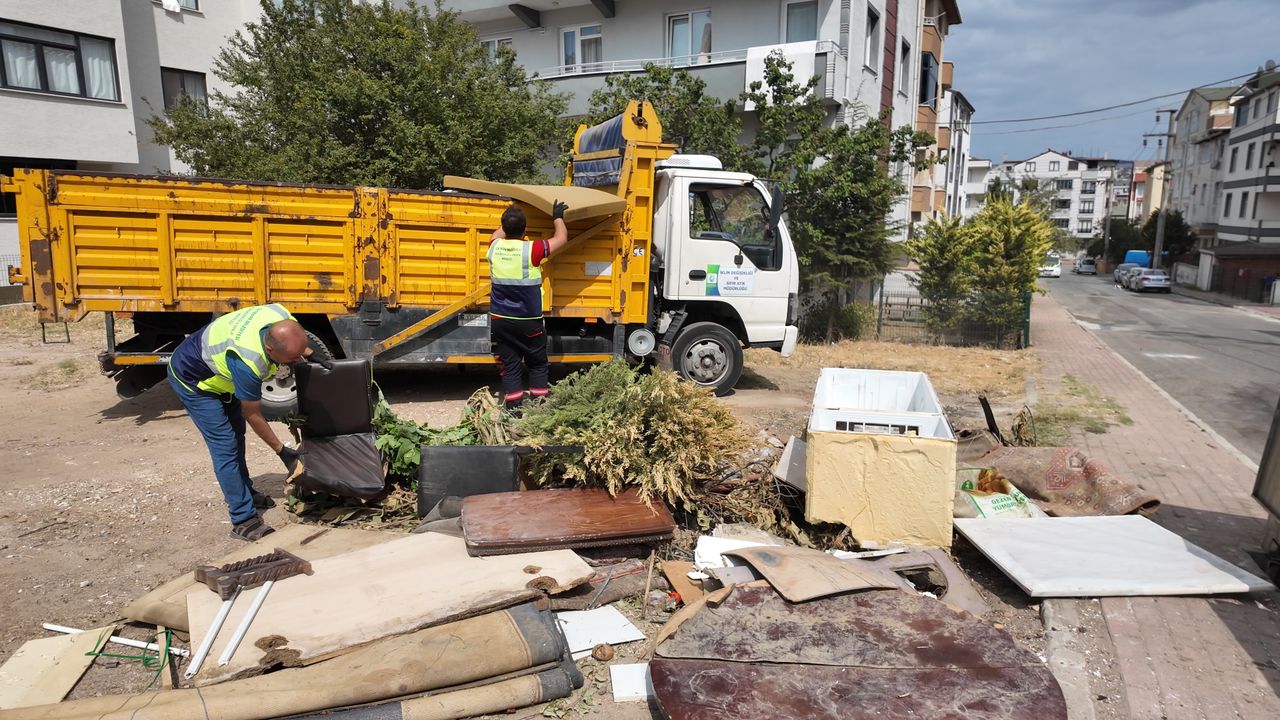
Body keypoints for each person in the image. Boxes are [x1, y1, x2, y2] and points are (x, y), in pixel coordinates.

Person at [167, 304, 312, 541]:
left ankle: (245, 492)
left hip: (221, 375)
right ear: (269, 349)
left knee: (237, 435)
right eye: (291, 359)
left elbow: (299, 341)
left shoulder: (280, 315)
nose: (296, 361)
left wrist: (311, 354)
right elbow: (253, 414)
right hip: (194, 381)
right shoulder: (248, 361)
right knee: (225, 445)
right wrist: (281, 451)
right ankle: (243, 520)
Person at [488, 200, 569, 410]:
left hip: (501, 320)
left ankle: (514, 412)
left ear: (504, 227)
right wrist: (557, 217)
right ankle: (538, 410)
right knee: (538, 364)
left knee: (510, 366)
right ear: (525, 230)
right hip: (528, 322)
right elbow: (561, 238)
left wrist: (513, 210)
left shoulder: (494, 246)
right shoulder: (532, 249)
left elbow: (498, 233)